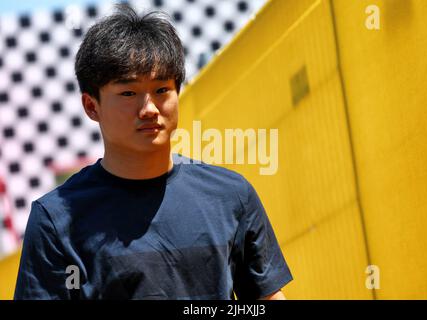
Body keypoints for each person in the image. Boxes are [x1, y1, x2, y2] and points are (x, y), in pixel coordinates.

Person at [14, 4, 293, 300]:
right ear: (91, 106)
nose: (148, 109)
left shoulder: (231, 196)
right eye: (128, 93)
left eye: (162, 90)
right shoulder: (55, 219)